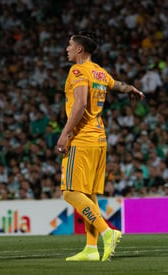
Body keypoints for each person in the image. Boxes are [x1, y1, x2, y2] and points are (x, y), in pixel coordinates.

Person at [56, 31, 145, 262]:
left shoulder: (78, 70)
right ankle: (91, 248)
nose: (66, 49)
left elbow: (80, 104)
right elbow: (117, 85)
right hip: (99, 139)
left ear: (79, 50)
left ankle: (108, 232)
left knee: (70, 192)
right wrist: (131, 89)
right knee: (88, 194)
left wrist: (65, 134)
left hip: (82, 139)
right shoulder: (99, 71)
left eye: (69, 45)